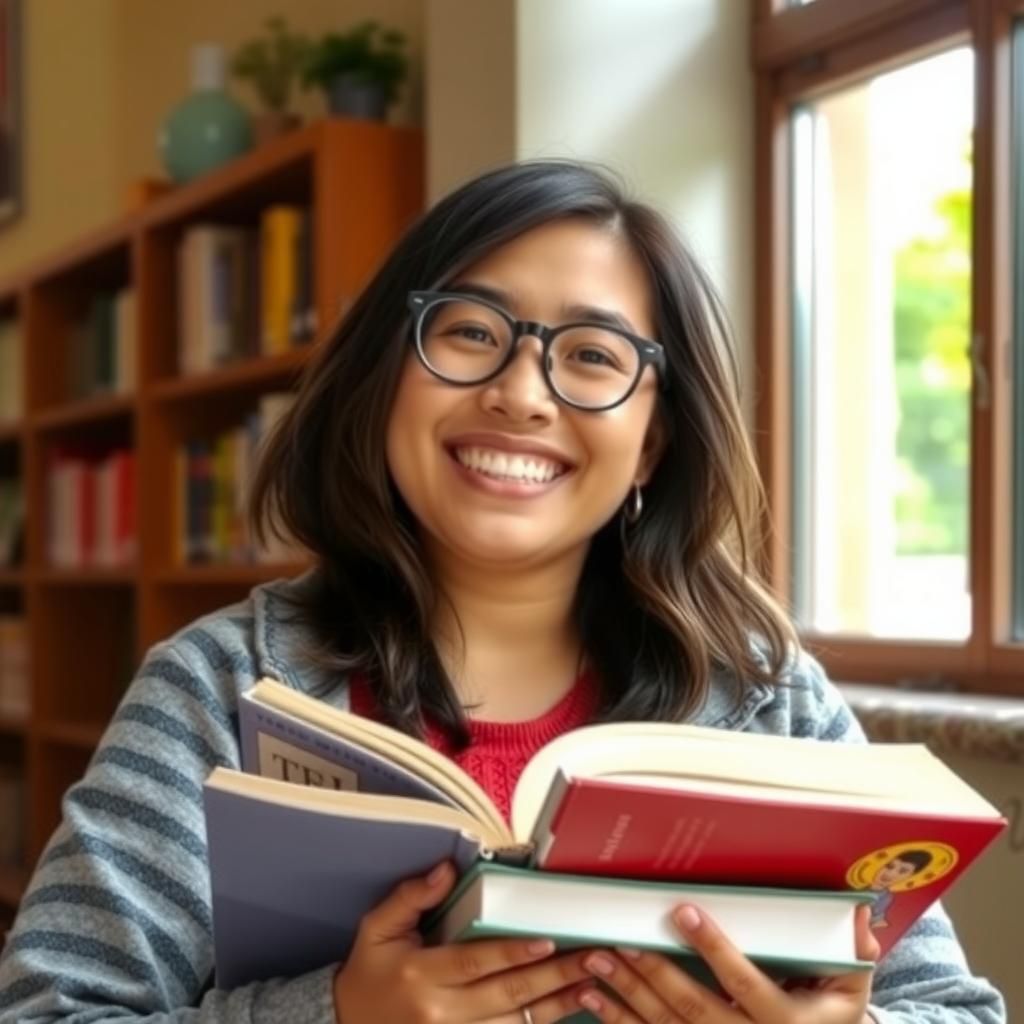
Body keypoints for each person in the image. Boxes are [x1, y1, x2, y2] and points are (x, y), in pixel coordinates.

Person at [0, 161, 1005, 1024]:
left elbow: (955, 1011)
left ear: (652, 442)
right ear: (385, 375)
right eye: (471, 332)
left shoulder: (770, 703)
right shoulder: (217, 688)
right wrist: (336, 1011)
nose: (521, 393)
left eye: (593, 356)